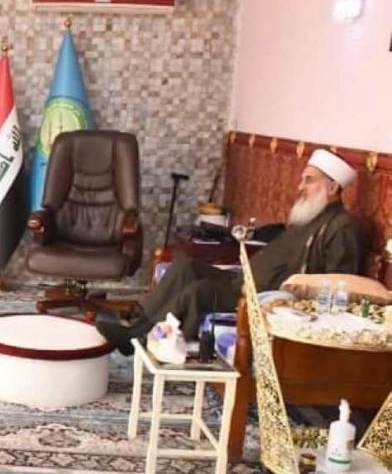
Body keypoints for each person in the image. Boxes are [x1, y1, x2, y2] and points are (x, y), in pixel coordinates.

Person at [98, 148, 362, 355]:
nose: (300, 187)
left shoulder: (341, 228)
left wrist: (285, 294)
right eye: (303, 179)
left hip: (262, 297)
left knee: (200, 291)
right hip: (242, 280)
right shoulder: (311, 216)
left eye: (309, 180)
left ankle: (145, 341)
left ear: (332, 187)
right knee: (184, 265)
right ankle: (136, 327)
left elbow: (339, 285)